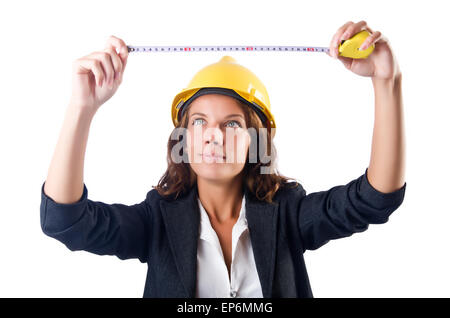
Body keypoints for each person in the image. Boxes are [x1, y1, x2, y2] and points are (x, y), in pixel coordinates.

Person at [40, 20, 407, 298]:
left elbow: (374, 199)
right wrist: (82, 108)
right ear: (183, 137)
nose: (213, 135)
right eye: (199, 122)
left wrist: (386, 81)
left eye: (232, 124)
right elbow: (64, 221)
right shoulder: (157, 220)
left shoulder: (288, 213)